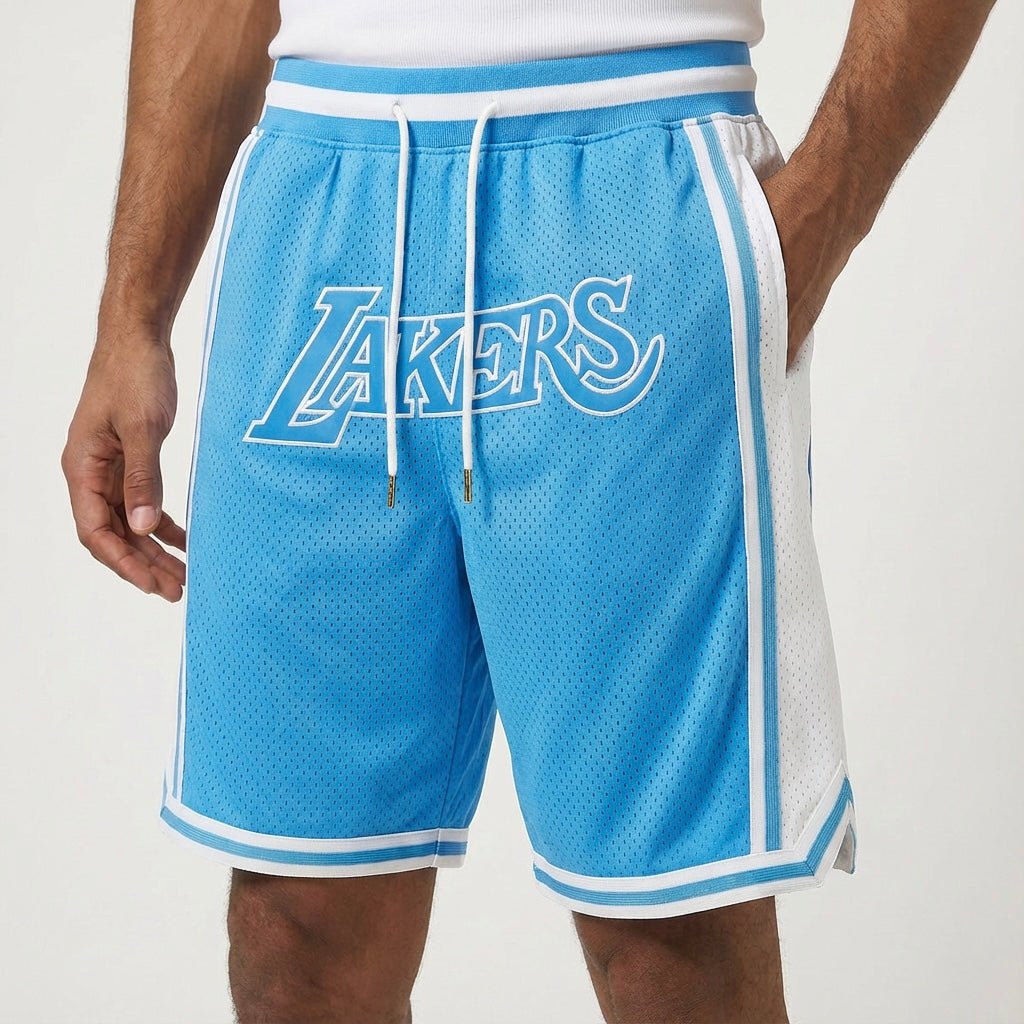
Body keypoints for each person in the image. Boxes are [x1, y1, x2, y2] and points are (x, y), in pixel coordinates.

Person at [61, 1, 995, 1020]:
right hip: (318, 210)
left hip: (631, 182)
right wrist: (132, 313)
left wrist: (824, 209)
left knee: (666, 939)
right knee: (293, 927)